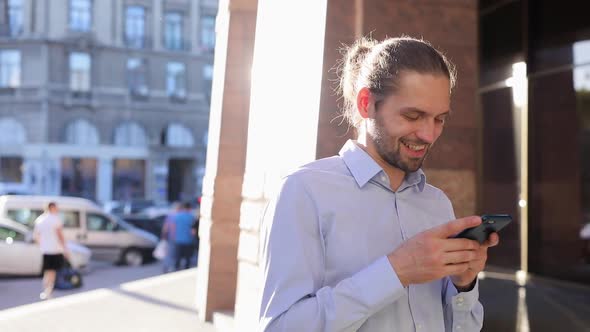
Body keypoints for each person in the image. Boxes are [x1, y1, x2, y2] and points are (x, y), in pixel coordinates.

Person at [258, 36, 500, 331]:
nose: (428, 134)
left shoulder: (437, 204)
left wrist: (464, 285)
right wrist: (396, 271)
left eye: (439, 119)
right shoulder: (304, 192)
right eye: (413, 115)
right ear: (366, 104)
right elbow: (281, 327)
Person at [33, 202, 70, 300]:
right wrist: (65, 249)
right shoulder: (56, 219)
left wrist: (42, 245)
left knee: (47, 271)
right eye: (56, 208)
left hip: (45, 250)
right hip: (55, 249)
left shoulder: (40, 220)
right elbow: (60, 236)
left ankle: (46, 291)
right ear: (52, 208)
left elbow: (36, 236)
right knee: (52, 272)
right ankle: (49, 291)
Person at [171, 202, 196, 270]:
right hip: (188, 240)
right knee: (187, 258)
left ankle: (176, 269)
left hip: (178, 239)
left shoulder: (177, 216)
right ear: (190, 208)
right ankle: (186, 269)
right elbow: (193, 230)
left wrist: (174, 236)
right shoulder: (191, 217)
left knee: (178, 257)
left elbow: (173, 227)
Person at [161, 202, 180, 273]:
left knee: (169, 253)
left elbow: (165, 227)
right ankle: (171, 267)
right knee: (172, 253)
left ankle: (166, 267)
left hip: (171, 237)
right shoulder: (177, 216)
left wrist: (163, 236)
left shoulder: (170, 216)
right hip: (175, 237)